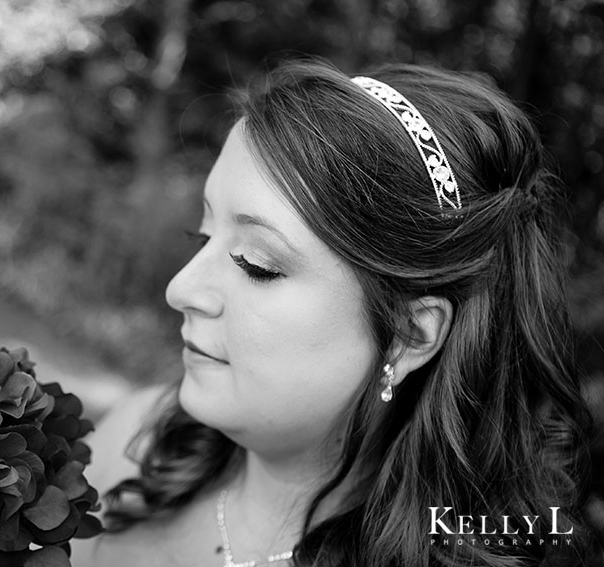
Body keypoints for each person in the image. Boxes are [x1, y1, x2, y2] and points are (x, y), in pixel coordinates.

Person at [69, 58, 599, 567]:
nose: (180, 289)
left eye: (257, 264)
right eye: (202, 234)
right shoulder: (125, 445)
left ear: (409, 335)